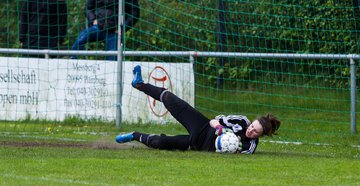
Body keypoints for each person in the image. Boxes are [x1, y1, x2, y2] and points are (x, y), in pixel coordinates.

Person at [115, 65, 281, 154]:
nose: (251, 131)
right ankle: (139, 84)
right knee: (169, 99)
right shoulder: (241, 121)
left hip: (200, 146)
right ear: (252, 122)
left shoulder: (250, 146)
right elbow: (213, 121)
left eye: (255, 132)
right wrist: (220, 129)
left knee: (160, 142)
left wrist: (227, 146)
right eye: (253, 127)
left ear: (260, 136)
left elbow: (234, 156)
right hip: (202, 126)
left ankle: (134, 135)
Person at [70, 0, 140, 60]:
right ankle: (72, 62)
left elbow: (135, 13)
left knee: (113, 57)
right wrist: (93, 19)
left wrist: (123, 27)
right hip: (98, 27)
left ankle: (112, 75)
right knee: (81, 39)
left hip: (114, 31)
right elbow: (88, 8)